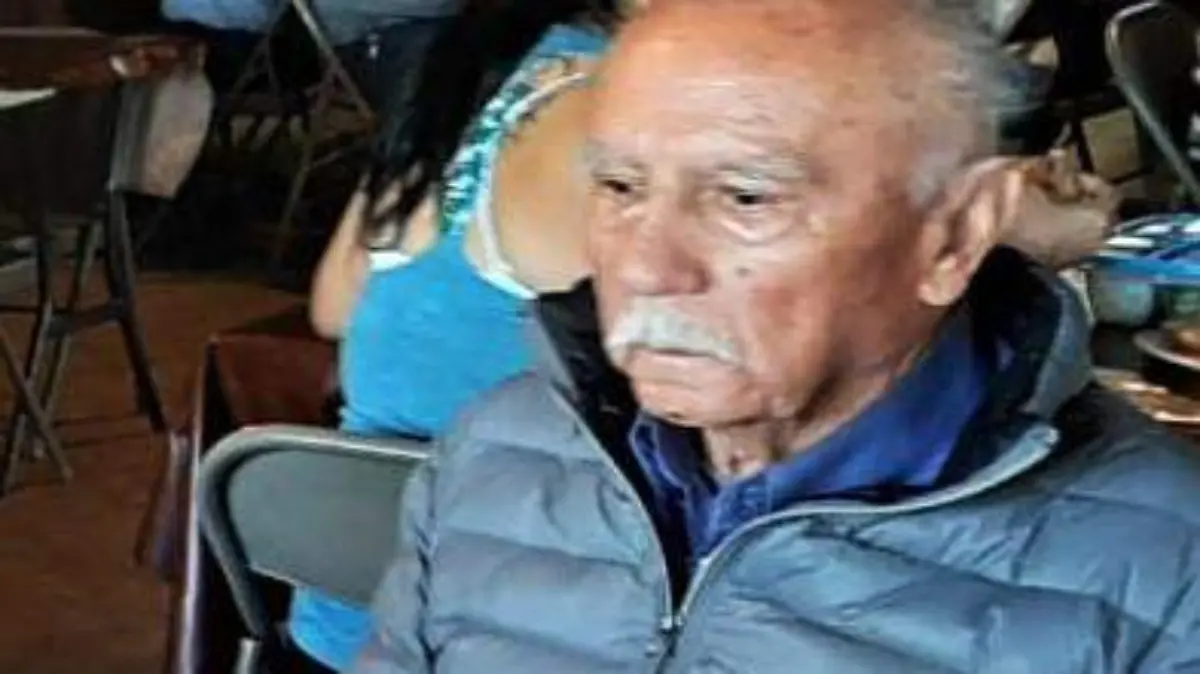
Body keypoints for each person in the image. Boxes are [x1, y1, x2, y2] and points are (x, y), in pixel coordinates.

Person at [352, 1, 1200, 672]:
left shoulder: (1166, 576)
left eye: (746, 198)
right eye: (619, 186)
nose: (645, 267)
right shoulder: (497, 450)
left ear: (954, 236)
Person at [294, 2, 623, 671]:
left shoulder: (463, 73)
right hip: (496, 610)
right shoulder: (625, 115)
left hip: (340, 597)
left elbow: (332, 309)